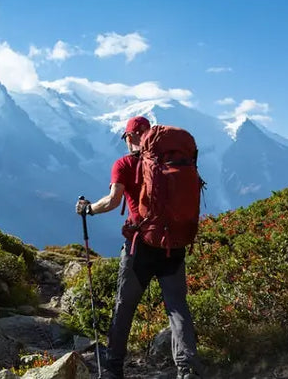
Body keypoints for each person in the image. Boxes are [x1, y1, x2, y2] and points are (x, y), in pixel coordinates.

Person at [76, 116, 203, 379]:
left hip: (140, 247)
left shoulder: (124, 163)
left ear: (132, 137)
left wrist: (88, 208)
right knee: (177, 307)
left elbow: (113, 201)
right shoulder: (174, 160)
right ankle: (188, 368)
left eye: (126, 137)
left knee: (124, 306)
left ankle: (113, 368)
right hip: (174, 244)